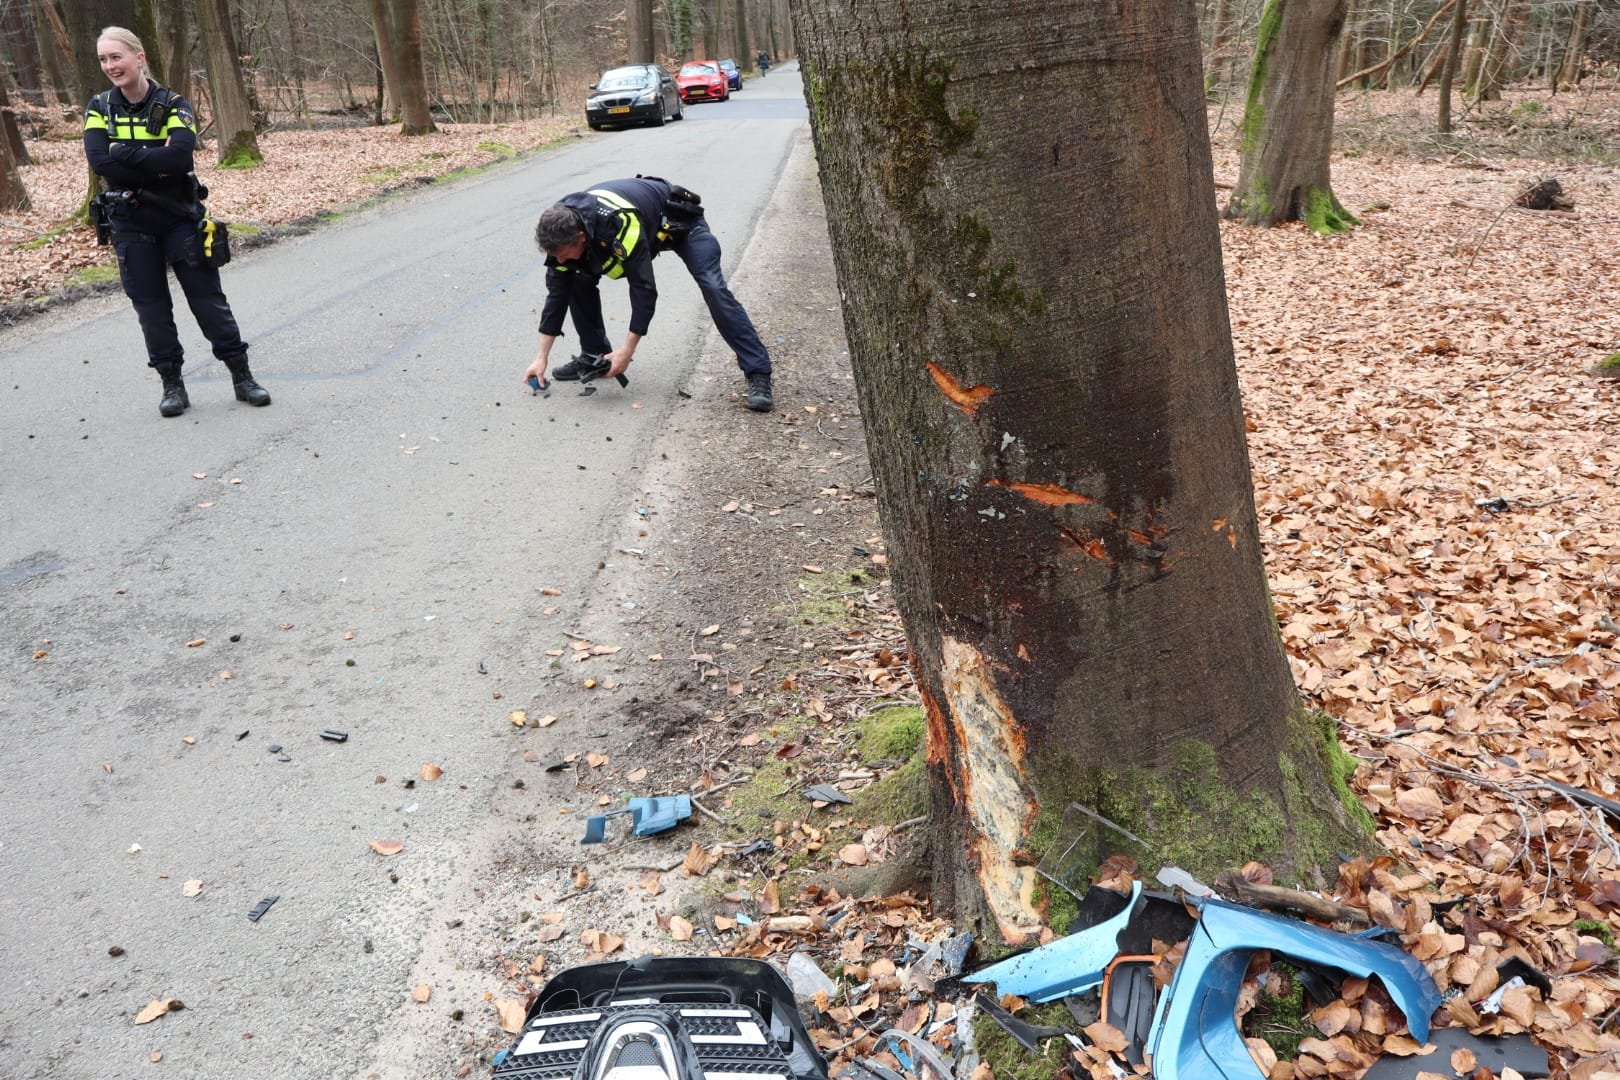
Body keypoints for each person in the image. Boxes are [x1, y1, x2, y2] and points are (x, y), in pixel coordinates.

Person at [83, 26, 269, 418]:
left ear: (139, 57)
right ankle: (172, 385)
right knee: (151, 310)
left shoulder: (173, 103)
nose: (110, 66)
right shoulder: (99, 107)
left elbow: (181, 159)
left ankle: (242, 376)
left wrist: (124, 154)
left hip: (179, 219)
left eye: (116, 57)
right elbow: (99, 162)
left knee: (208, 301)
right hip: (130, 223)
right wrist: (149, 160)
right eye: (103, 59)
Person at [523, 176, 774, 412]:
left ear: (580, 237)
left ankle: (758, 372)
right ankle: (596, 356)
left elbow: (643, 290)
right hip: (614, 234)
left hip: (680, 225)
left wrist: (627, 352)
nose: (558, 259)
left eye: (563, 253)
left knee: (713, 287)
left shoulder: (620, 224)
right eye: (554, 255)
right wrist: (540, 357)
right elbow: (556, 296)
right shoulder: (560, 229)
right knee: (573, 279)